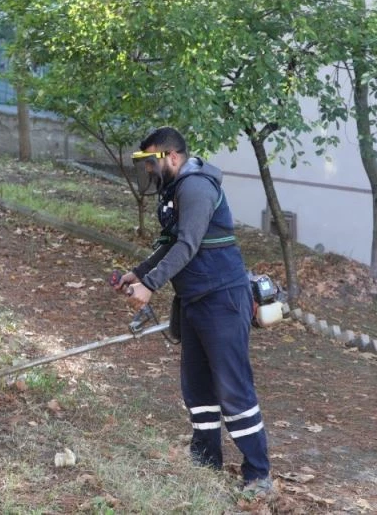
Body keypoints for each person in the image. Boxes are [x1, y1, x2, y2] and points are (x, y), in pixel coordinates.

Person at [113, 126, 272, 498]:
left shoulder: (196, 187)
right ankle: (205, 462)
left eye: (152, 162)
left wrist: (150, 286)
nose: (149, 171)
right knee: (197, 386)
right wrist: (138, 273)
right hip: (195, 300)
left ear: (172, 156)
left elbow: (187, 244)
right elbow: (169, 241)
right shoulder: (174, 190)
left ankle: (258, 475)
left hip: (222, 299)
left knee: (233, 389)